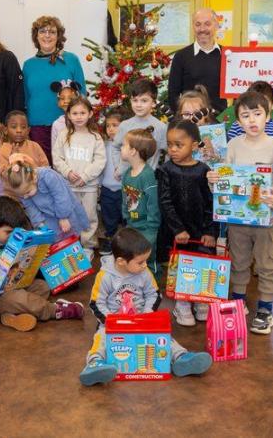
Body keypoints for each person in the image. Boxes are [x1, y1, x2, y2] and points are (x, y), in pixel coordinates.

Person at [79, 227, 213, 386]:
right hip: (113, 323)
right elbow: (96, 303)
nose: (144, 265)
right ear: (121, 261)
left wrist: (147, 314)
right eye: (140, 262)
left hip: (142, 319)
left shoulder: (144, 272)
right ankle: (95, 364)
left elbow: (154, 294)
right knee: (101, 338)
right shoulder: (105, 276)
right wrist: (110, 320)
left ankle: (181, 358)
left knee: (163, 337)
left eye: (146, 261)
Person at [207, 91, 273, 335]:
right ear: (238, 121)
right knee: (239, 261)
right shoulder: (232, 145)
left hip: (267, 220)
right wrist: (213, 179)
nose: (252, 120)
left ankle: (265, 309)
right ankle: (239, 300)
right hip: (237, 221)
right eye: (245, 115)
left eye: (257, 114)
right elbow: (223, 181)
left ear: (267, 116)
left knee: (268, 264)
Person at [0, 196, 85, 331]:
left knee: (42, 287)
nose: (12, 236)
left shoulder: (11, 241)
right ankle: (55, 310)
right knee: (18, 298)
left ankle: (11, 316)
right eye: (8, 232)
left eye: (15, 232)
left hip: (12, 287)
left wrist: (37, 255)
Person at [156, 120, 218, 326]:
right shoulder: (166, 170)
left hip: (200, 229)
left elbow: (211, 202)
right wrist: (177, 229)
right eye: (169, 144)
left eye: (178, 145)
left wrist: (210, 231)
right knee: (181, 266)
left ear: (194, 145)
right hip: (177, 230)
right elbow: (165, 201)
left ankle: (201, 301)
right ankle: (182, 305)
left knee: (202, 263)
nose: (172, 149)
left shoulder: (203, 170)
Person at [23, 16, 87, 163]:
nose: (47, 35)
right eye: (42, 31)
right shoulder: (28, 65)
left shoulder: (71, 60)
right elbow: (26, 98)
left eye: (52, 32)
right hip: (37, 127)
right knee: (43, 171)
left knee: (68, 167)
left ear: (58, 36)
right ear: (36, 35)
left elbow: (81, 94)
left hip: (67, 125)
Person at [52, 97, 106, 259]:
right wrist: (68, 172)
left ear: (90, 114)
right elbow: (57, 158)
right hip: (68, 187)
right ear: (68, 115)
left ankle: (88, 246)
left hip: (88, 186)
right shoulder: (63, 135)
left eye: (82, 113)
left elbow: (100, 160)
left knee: (89, 216)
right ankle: (72, 244)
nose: (79, 116)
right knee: (70, 216)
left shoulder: (95, 137)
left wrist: (85, 176)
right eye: (74, 113)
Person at [4, 160, 89, 243]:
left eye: (27, 193)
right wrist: (40, 224)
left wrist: (63, 217)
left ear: (34, 178)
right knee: (55, 239)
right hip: (48, 216)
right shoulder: (24, 190)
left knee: (71, 236)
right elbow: (31, 208)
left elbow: (61, 196)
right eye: (22, 195)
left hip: (66, 211)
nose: (25, 196)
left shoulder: (48, 176)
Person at [168, 8, 227, 113]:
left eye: (207, 24)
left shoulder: (227, 55)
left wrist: (228, 118)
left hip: (220, 122)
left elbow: (236, 92)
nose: (202, 29)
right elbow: (173, 93)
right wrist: (183, 118)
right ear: (193, 27)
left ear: (217, 25)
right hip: (190, 122)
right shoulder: (181, 56)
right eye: (198, 24)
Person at [120, 127, 160, 275]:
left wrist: (151, 228)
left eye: (124, 145)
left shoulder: (147, 175)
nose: (121, 148)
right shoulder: (126, 174)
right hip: (132, 225)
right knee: (134, 256)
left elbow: (153, 203)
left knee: (148, 258)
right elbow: (125, 198)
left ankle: (153, 283)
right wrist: (126, 218)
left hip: (147, 228)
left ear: (133, 151)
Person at [112, 78, 168, 175]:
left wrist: (162, 172)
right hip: (127, 179)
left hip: (149, 180)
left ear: (154, 103)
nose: (138, 105)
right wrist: (118, 167)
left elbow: (169, 152)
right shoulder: (125, 125)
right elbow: (115, 148)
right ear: (130, 101)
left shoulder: (161, 128)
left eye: (144, 101)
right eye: (135, 100)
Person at [98, 108, 127, 255]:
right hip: (107, 189)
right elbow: (100, 166)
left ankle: (127, 243)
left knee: (127, 216)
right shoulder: (103, 145)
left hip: (125, 189)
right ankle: (110, 239)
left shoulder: (128, 146)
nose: (111, 129)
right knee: (109, 217)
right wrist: (99, 184)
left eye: (115, 125)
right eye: (108, 126)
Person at [227, 81, 273, 148]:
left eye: (264, 102)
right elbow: (229, 149)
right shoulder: (236, 127)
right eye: (254, 102)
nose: (259, 105)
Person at [0, 111, 49, 176]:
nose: (19, 130)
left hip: (38, 184)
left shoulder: (35, 146)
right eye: (14, 127)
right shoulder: (3, 150)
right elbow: (4, 175)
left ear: (28, 130)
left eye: (23, 127)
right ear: (6, 130)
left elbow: (46, 169)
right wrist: (14, 158)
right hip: (14, 185)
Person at [49, 80, 82, 153]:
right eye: (62, 98)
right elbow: (55, 149)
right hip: (63, 162)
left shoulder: (82, 121)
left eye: (70, 98)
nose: (66, 101)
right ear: (58, 102)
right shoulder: (56, 124)